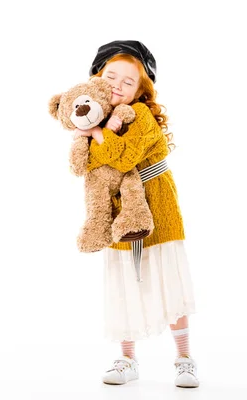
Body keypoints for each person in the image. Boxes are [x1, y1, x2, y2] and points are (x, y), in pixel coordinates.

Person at [73, 40, 199, 388]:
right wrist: (98, 137)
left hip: (156, 204)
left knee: (167, 277)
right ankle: (127, 358)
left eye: (128, 82)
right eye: (111, 76)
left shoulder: (140, 117)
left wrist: (97, 134)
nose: (117, 85)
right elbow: (85, 164)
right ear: (97, 77)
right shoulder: (94, 113)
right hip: (119, 208)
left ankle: (184, 357)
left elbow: (123, 158)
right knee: (124, 280)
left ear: (142, 90)